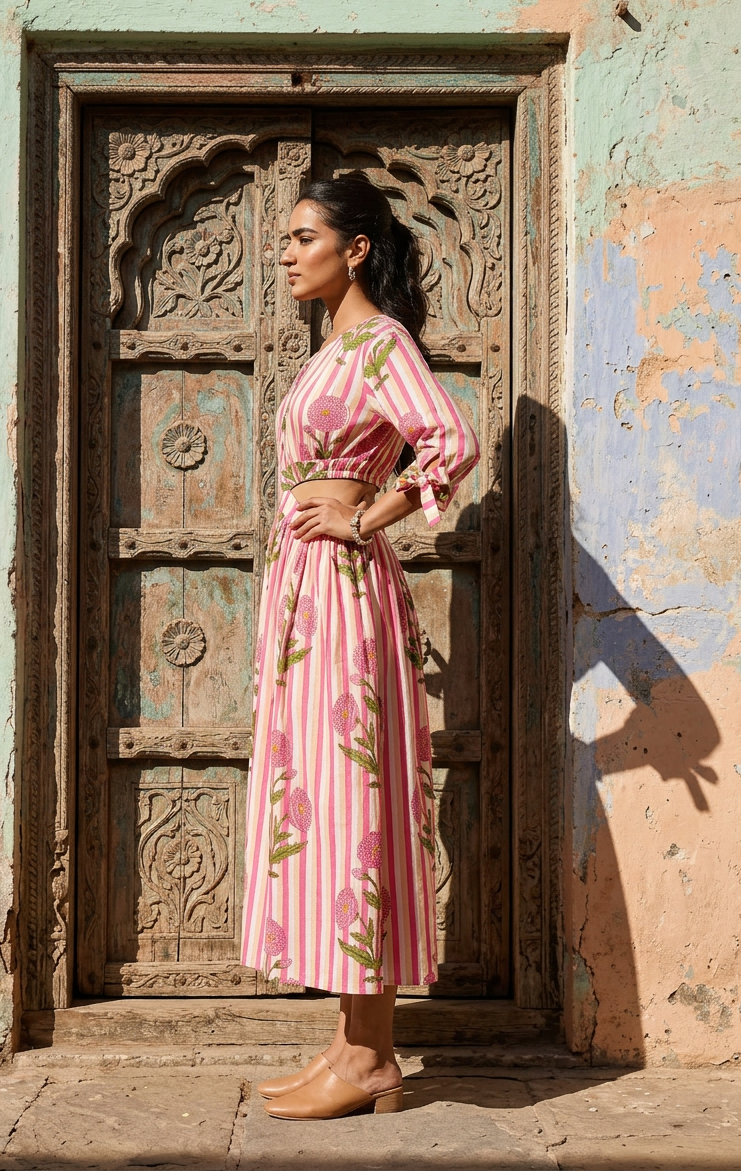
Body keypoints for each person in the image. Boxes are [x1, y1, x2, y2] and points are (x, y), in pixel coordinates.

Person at [240, 171, 480, 1120]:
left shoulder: (382, 344)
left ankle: (374, 1056)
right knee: (325, 798)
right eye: (287, 239)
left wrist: (364, 519)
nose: (288, 254)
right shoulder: (335, 350)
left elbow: (451, 443)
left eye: (305, 237)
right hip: (307, 595)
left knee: (353, 802)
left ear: (357, 249)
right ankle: (351, 1042)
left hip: (343, 590)